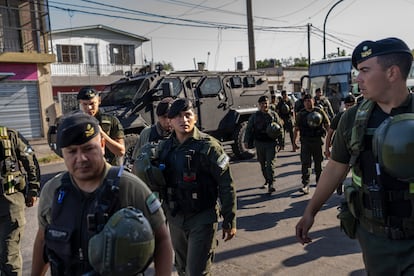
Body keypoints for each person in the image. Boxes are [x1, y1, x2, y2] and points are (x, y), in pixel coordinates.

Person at [295, 37, 414, 275]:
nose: (357, 78)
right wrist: (310, 212)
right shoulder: (353, 119)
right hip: (376, 240)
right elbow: (335, 168)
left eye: (365, 71)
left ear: (392, 72)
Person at [31, 112, 173, 275]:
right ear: (62, 153)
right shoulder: (53, 191)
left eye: (88, 148)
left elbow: (162, 238)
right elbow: (43, 241)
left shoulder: (129, 186)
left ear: (103, 145)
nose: (81, 158)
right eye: (72, 151)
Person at [157, 98, 237, 275]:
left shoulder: (210, 147)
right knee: (182, 268)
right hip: (176, 218)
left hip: (202, 218)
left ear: (195, 118)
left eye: (187, 115)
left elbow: (226, 185)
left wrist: (229, 219)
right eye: (177, 116)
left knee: (196, 271)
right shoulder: (164, 148)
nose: (183, 120)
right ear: (169, 121)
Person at [0, 126, 40, 276]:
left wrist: (33, 189)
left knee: (9, 257)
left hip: (10, 206)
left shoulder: (9, 136)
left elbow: (30, 159)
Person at [244, 95, 284, 193]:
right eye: (262, 103)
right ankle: (267, 180)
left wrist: (281, 142)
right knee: (262, 165)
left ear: (268, 103)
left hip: (271, 143)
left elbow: (280, 129)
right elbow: (249, 129)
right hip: (260, 143)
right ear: (259, 105)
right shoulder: (254, 116)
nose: (264, 105)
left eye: (266, 103)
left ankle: (271, 184)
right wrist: (246, 141)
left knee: (270, 165)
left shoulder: (274, 115)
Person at [77, 86, 125, 165]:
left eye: (92, 103)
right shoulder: (76, 123)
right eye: (84, 104)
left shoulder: (111, 121)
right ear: (80, 103)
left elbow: (121, 151)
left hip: (110, 169)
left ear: (99, 100)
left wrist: (102, 134)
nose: (89, 108)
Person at [293, 94, 330, 194]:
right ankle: (305, 184)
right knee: (305, 163)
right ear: (303, 102)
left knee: (318, 163)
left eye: (309, 101)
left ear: (313, 101)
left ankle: (319, 182)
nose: (308, 103)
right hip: (305, 142)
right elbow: (296, 129)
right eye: (306, 101)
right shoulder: (301, 114)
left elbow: (327, 125)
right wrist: (294, 142)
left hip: (317, 141)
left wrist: (330, 141)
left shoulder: (319, 111)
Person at [324, 93, 356, 195]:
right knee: (343, 169)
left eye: (352, 104)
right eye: (348, 105)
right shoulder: (340, 116)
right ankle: (339, 183)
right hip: (341, 146)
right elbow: (330, 133)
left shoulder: (360, 116)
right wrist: (327, 149)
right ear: (345, 105)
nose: (350, 107)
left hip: (354, 146)